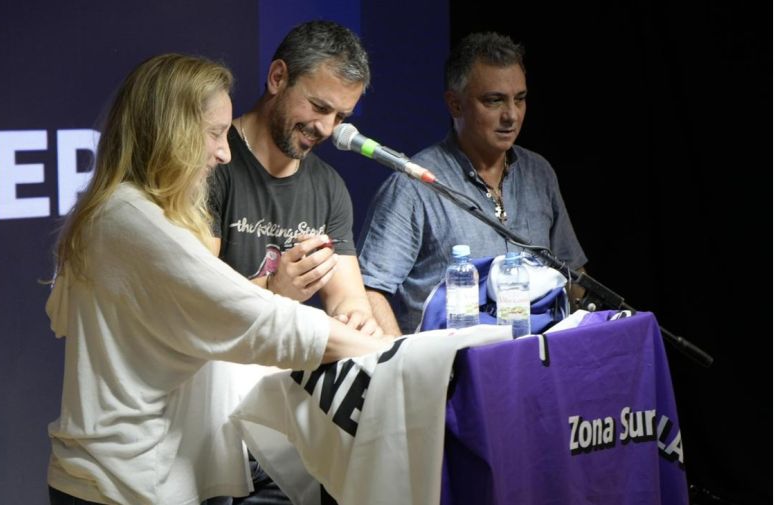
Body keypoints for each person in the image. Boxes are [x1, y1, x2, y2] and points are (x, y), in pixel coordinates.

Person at [44, 53, 389, 505]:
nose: (225, 152)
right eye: (214, 133)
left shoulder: (123, 215)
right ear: (170, 131)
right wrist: (390, 357)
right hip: (122, 488)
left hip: (131, 481)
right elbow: (248, 317)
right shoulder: (130, 220)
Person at [358, 32, 588, 335]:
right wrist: (402, 365)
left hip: (537, 368)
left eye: (519, 99)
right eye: (494, 101)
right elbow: (369, 290)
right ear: (455, 105)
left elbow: (575, 278)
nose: (511, 116)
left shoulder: (538, 173)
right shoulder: (413, 186)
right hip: (451, 375)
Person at [208, 20, 381, 336]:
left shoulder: (329, 187)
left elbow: (350, 302)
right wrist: (275, 289)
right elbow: (195, 302)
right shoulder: (211, 162)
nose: (327, 129)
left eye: (340, 117)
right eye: (319, 107)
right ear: (277, 77)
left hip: (282, 373)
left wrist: (357, 321)